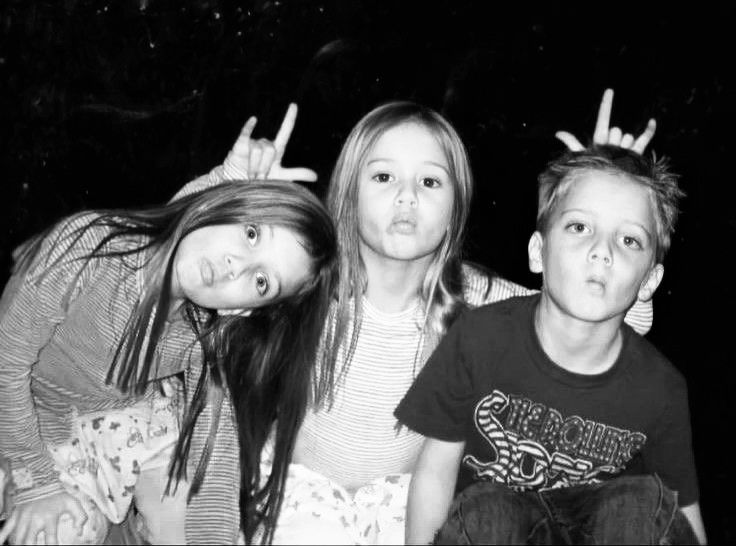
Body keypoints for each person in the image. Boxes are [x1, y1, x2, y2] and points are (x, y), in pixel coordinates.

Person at [178, 89, 657, 544]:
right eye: (383, 177)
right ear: (348, 192)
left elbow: (610, 323)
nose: (406, 197)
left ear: (456, 206)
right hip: (295, 498)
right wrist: (225, 181)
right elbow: (173, 271)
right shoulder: (306, 277)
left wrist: (607, 192)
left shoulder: (471, 298)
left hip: (400, 506)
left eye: (429, 181)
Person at [395, 144, 706, 544]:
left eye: (629, 240)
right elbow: (435, 472)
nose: (602, 251)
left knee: (640, 504)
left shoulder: (661, 389)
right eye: (579, 227)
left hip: (598, 532)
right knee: (490, 509)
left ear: (648, 282)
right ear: (539, 252)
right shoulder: (480, 337)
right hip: (497, 530)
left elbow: (679, 511)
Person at [0, 180, 336, 545]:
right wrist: (36, 484)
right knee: (58, 529)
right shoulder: (90, 245)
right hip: (19, 420)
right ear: (221, 207)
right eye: (251, 234)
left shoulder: (204, 335)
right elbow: (5, 365)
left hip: (116, 421)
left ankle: (125, 530)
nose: (234, 265)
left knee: (188, 507)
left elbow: (217, 456)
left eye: (260, 281)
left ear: (242, 308)